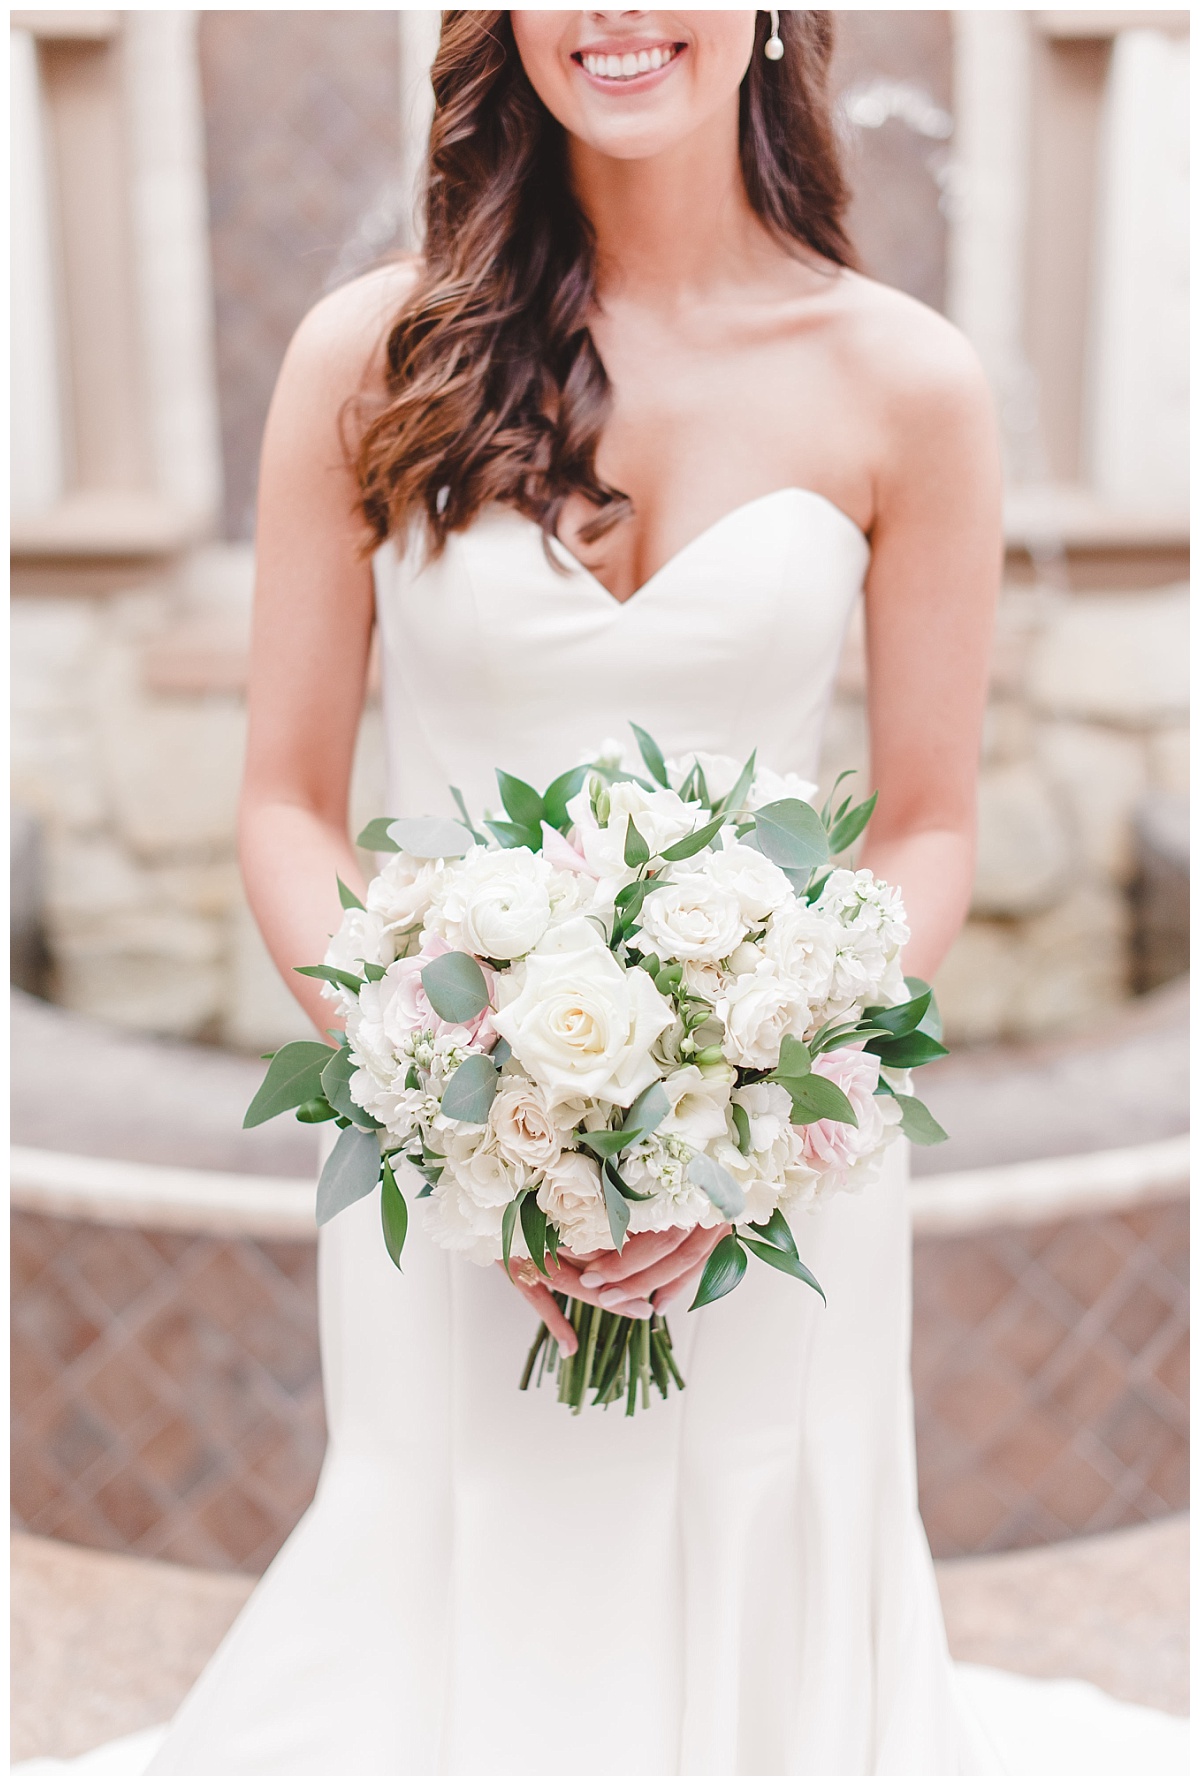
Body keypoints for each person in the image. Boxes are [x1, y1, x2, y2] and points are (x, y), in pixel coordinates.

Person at [55, 10, 1177, 1777]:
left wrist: (749, 1129)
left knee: (756, 1577)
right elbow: (284, 807)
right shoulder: (374, 354)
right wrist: (452, 1111)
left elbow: (928, 827)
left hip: (782, 1177)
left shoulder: (909, 381)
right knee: (460, 1584)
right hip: (444, 1180)